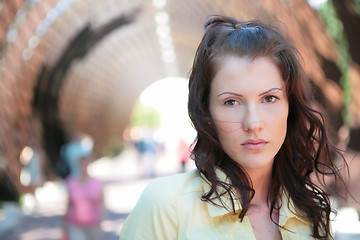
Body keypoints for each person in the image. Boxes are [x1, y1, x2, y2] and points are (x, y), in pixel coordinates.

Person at [119, 15, 348, 239]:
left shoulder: (312, 212)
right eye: (231, 102)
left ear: (291, 107)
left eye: (269, 98)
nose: (253, 123)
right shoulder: (166, 206)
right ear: (206, 111)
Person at [62, 134, 104, 240]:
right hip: (75, 224)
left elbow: (102, 202)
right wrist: (64, 225)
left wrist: (101, 220)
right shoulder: (71, 182)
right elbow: (68, 204)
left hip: (93, 224)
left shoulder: (97, 182)